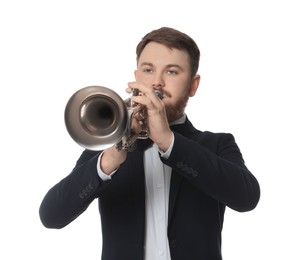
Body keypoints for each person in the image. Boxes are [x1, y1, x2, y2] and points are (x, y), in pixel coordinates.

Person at [39, 27, 260, 260]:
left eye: (172, 72)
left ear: (193, 85)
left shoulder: (216, 144)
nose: (156, 83)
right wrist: (109, 160)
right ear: (136, 78)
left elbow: (247, 198)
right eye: (148, 70)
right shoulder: (106, 151)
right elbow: (51, 216)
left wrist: (168, 140)